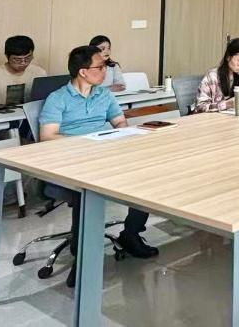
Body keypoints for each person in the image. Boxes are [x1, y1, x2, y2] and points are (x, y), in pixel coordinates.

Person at [39, 45, 158, 284]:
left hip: (104, 155)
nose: (105, 71)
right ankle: (82, 257)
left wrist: (119, 137)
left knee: (145, 177)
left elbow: (120, 123)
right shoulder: (58, 98)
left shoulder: (103, 95)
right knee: (87, 191)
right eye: (100, 67)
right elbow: (47, 136)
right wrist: (84, 143)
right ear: (83, 71)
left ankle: (131, 234)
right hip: (70, 161)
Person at [0, 35, 49, 107]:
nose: (23, 63)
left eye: (28, 58)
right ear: (7, 56)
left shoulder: (39, 73)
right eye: (17, 60)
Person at [195, 38, 239, 113]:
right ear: (228, 57)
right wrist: (227, 104)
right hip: (213, 119)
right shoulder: (212, 76)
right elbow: (200, 107)